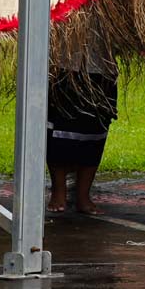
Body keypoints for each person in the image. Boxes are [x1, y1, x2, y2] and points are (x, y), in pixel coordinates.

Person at [46, 34, 119, 215]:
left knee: (95, 130)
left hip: (102, 67)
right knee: (59, 130)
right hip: (64, 64)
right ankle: (59, 192)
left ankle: (83, 195)